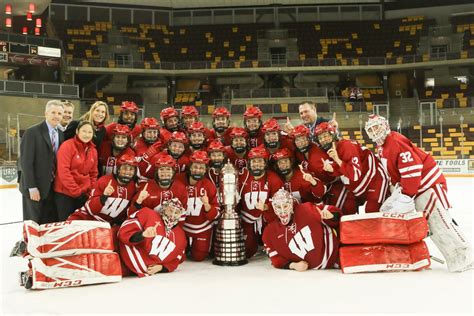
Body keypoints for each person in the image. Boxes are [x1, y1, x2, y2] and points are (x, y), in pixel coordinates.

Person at [365, 114, 473, 272]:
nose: (375, 131)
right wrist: (397, 193)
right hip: (418, 189)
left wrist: (406, 195)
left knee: (440, 221)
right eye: (371, 129)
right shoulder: (382, 147)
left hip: (427, 185)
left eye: (377, 127)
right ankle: (458, 256)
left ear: (385, 125)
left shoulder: (395, 141)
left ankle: (465, 254)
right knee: (433, 224)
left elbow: (412, 169)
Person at [315, 122, 389, 213]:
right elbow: (343, 169)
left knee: (372, 212)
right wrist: (332, 169)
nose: (323, 140)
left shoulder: (347, 146)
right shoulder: (332, 149)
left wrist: (337, 160)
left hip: (375, 181)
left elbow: (355, 174)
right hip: (360, 188)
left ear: (333, 134)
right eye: (320, 138)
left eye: (325, 136)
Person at [263, 188, 341, 271]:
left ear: (291, 204)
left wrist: (331, 215)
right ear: (274, 208)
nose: (282, 211)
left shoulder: (307, 209)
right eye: (278, 207)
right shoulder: (269, 232)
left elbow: (337, 216)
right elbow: (275, 258)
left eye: (285, 206)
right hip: (311, 276)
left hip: (336, 260)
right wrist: (293, 265)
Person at [19, 100, 64, 224]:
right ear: (46, 113)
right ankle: (28, 243)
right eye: (53, 112)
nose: (56, 116)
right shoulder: (32, 132)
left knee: (46, 223)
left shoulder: (60, 134)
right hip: (34, 187)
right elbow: (26, 162)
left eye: (59, 113)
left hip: (51, 187)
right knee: (32, 223)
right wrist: (31, 187)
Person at [118, 198, 188, 277]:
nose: (172, 215)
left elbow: (176, 260)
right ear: (164, 208)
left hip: (137, 273)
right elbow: (125, 231)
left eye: (176, 213)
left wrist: (161, 268)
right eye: (171, 210)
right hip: (122, 259)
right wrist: (142, 235)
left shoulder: (181, 235)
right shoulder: (148, 214)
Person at [238, 146, 283, 258]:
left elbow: (281, 203)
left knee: (276, 249)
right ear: (249, 163)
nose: (256, 164)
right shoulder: (242, 176)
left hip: (267, 219)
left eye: (259, 161)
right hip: (247, 220)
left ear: (265, 163)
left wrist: (267, 207)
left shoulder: (273, 179)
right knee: (247, 252)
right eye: (253, 161)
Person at [67, 154, 138, 225]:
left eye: (131, 169)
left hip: (105, 225)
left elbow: (126, 214)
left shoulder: (132, 188)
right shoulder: (104, 181)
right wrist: (103, 197)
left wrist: (138, 203)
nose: (128, 172)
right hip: (86, 217)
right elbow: (90, 209)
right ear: (118, 169)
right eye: (125, 168)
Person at [54, 121, 98, 221]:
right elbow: (63, 171)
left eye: (90, 132)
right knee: (66, 225)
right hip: (65, 194)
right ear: (77, 131)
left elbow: (93, 173)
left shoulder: (93, 150)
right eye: (84, 131)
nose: (87, 134)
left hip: (83, 195)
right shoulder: (67, 146)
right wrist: (76, 191)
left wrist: (90, 191)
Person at [182, 151, 220, 261]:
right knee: (180, 255)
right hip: (183, 227)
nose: (198, 170)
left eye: (201, 168)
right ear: (190, 167)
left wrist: (207, 205)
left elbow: (216, 213)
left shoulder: (208, 185)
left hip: (202, 227)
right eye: (195, 166)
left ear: (205, 170)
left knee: (199, 257)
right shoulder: (178, 181)